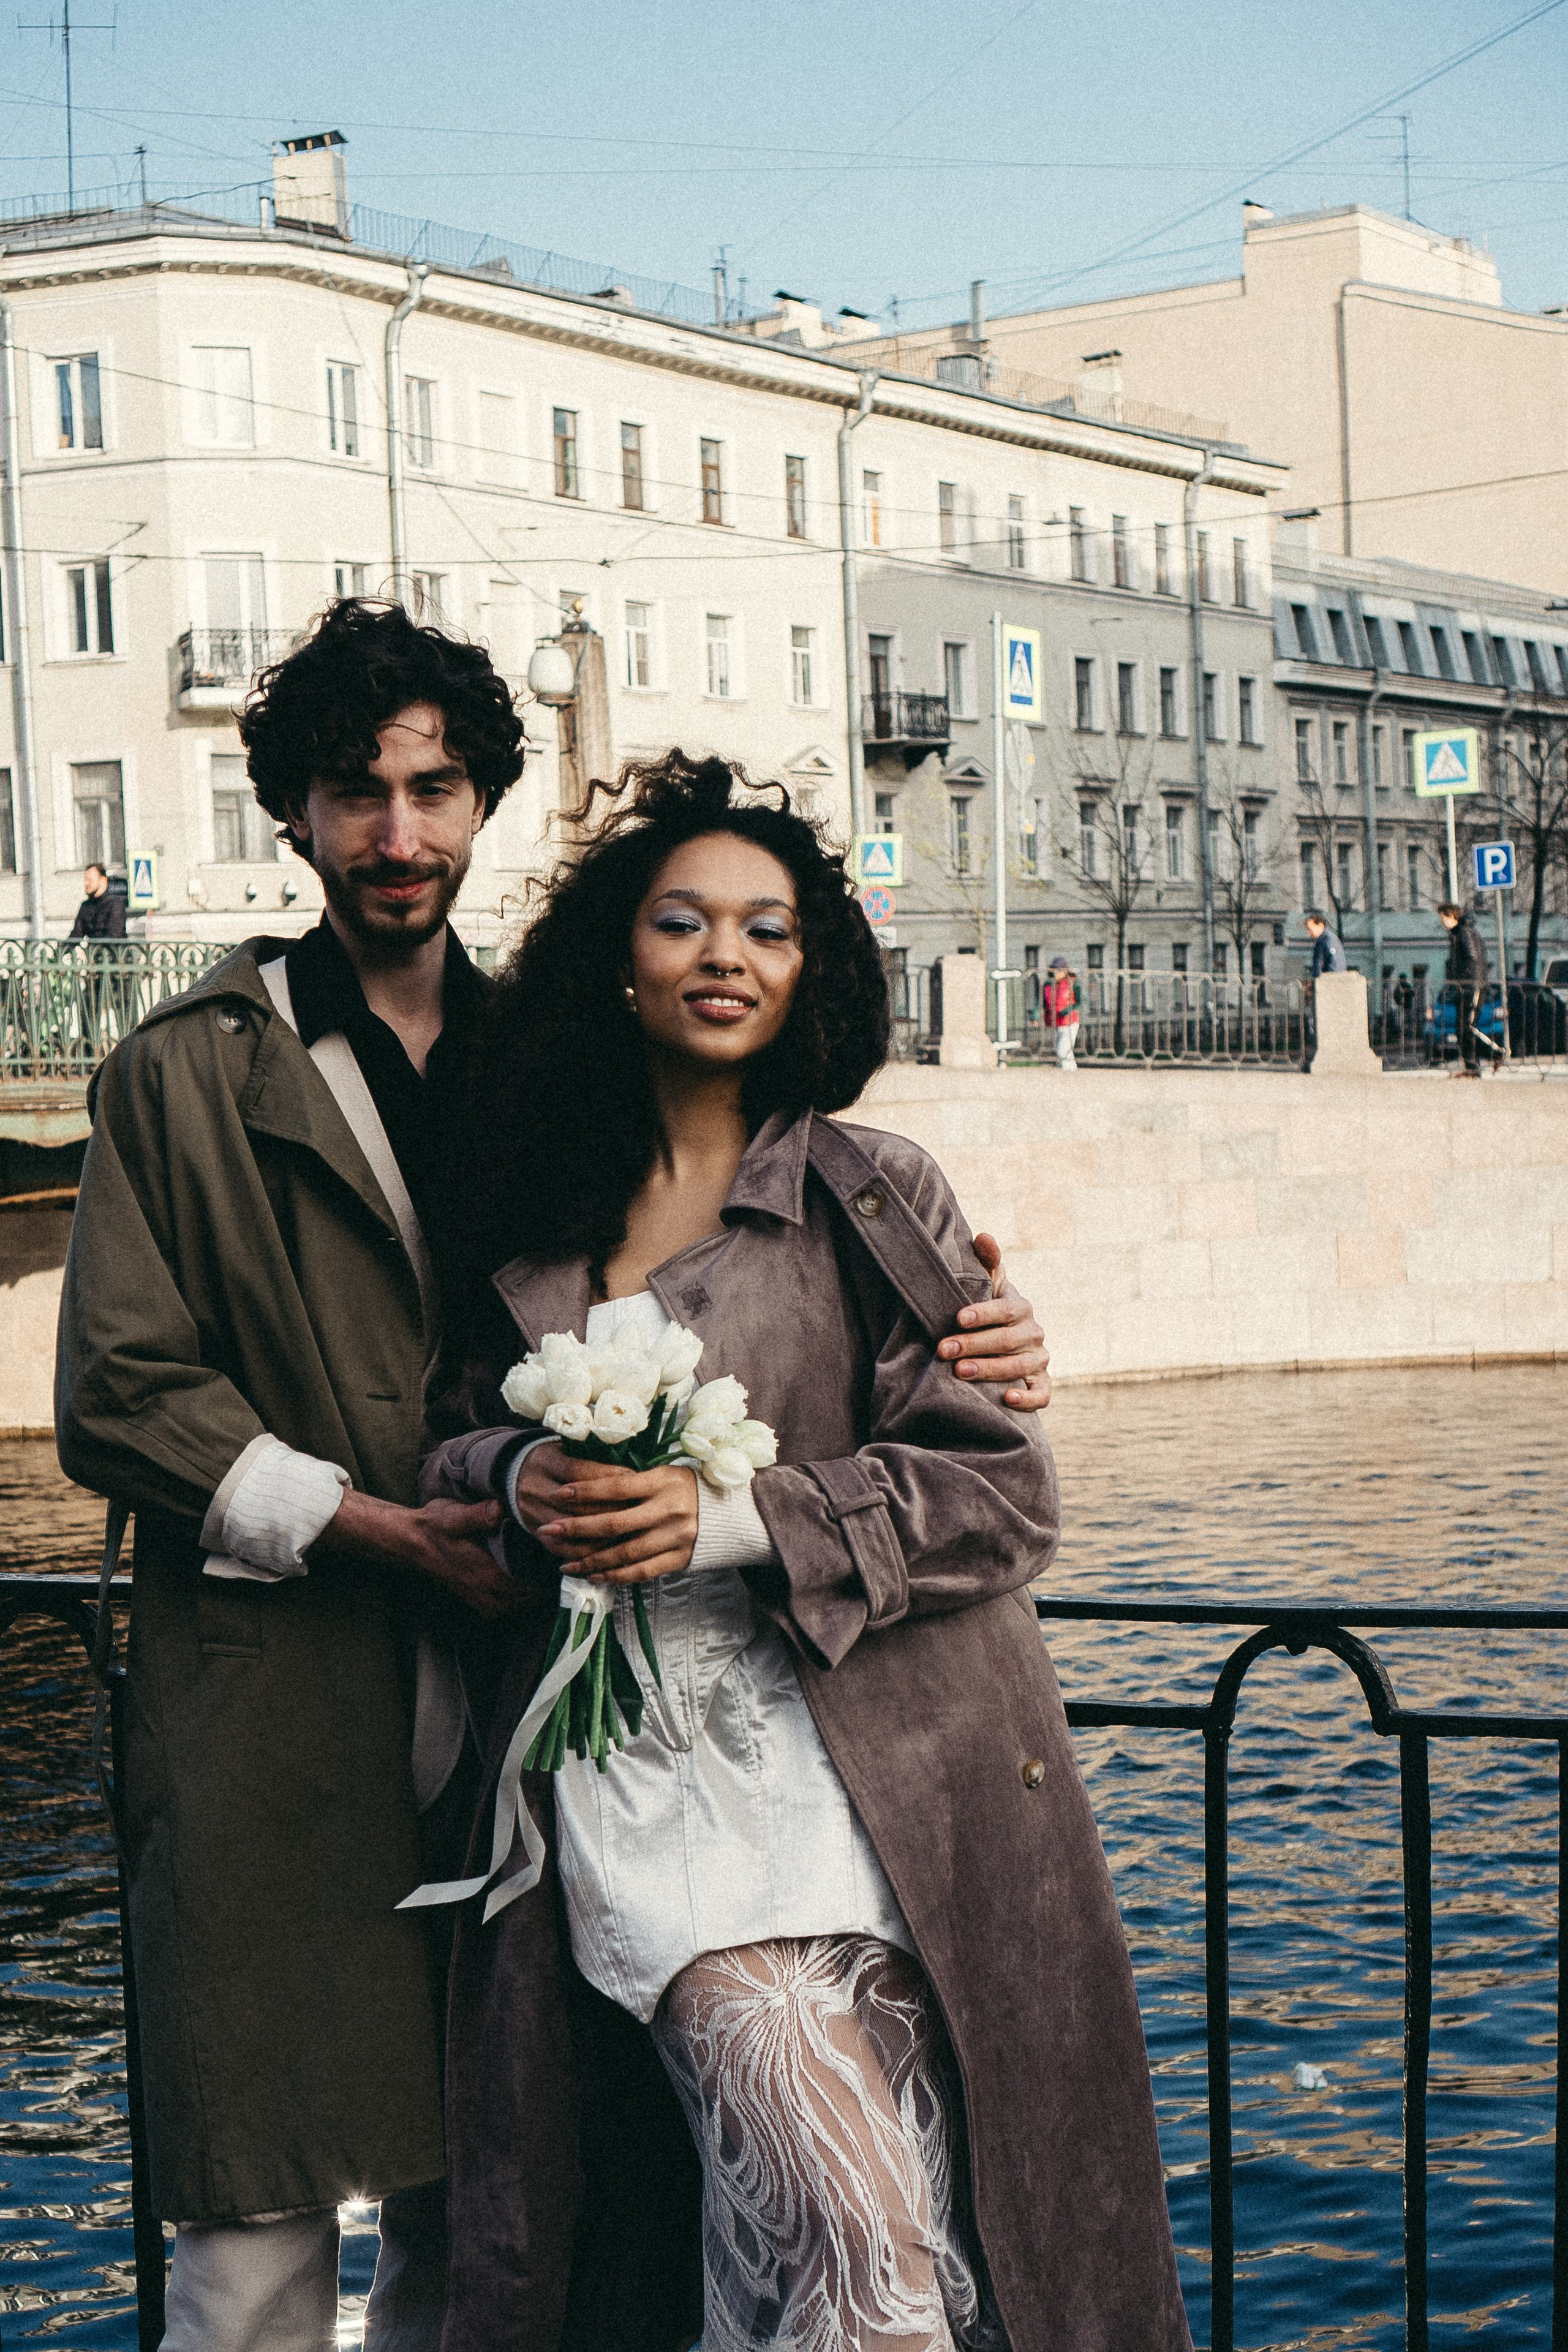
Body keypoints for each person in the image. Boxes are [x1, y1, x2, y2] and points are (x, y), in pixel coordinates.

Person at [53, 607, 1053, 2352]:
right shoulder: (184, 1074)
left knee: (497, 2226)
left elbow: (738, 1272)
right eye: (355, 794)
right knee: (256, 2231)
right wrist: (375, 1528)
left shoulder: (557, 1062)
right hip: (282, 1711)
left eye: (435, 790)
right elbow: (123, 1399)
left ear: (485, 805)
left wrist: (978, 1317)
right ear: (291, 811)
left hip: (540, 1720)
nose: (398, 835)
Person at [422, 752, 1189, 2352]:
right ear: (619, 965)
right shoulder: (529, 1202)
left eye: (768, 930)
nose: (725, 956)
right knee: (863, 2242)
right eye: (684, 922)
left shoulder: (876, 1191)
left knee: (875, 2260)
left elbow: (1003, 1493)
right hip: (642, 1797)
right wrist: (521, 1483)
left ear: (810, 968)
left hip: (872, 1796)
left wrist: (727, 1517)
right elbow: (438, 1445)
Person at [1439, 899, 1490, 1076]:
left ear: (1451, 916)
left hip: (1472, 986)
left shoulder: (1465, 933)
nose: (1442, 922)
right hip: (1467, 987)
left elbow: (1473, 959)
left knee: (1467, 1027)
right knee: (1462, 1028)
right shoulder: (1458, 933)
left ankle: (1485, 1059)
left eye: (1443, 918)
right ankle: (1470, 1065)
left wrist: (1465, 981)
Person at [68, 859, 127, 939]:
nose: (86, 883)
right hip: (92, 951)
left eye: (90, 879)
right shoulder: (85, 906)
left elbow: (113, 938)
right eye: (85, 879)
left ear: (103, 881)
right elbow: (76, 936)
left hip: (112, 951)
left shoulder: (115, 905)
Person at [1046, 951, 1079, 1068]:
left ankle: (1067, 1072)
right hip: (1057, 1023)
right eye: (1054, 970)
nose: (1056, 973)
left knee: (1062, 1051)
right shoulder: (1048, 985)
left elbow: (1080, 1001)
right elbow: (1043, 1002)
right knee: (1066, 1053)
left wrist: (1067, 1010)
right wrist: (1034, 1016)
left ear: (1065, 971)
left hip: (1071, 1022)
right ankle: (1069, 1074)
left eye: (1059, 970)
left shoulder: (1073, 983)